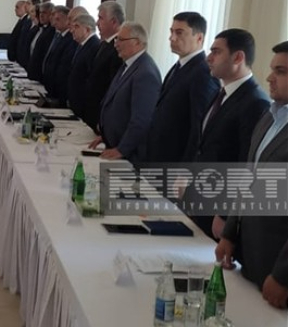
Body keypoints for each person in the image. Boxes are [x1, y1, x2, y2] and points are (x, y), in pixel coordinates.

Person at [216, 41, 288, 309]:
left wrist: (282, 275)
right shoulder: (270, 116)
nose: (269, 78)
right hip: (249, 257)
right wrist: (229, 233)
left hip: (277, 269)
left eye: (280, 71)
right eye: (272, 69)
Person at [180, 28, 270, 239]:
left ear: (238, 57)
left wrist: (225, 215)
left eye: (216, 52)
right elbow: (204, 146)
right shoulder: (222, 92)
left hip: (218, 211)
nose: (209, 58)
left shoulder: (255, 102)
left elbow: (245, 164)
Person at [146, 12, 220, 164]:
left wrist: (186, 170)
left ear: (199, 38)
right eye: (171, 32)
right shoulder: (178, 66)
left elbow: (199, 128)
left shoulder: (204, 73)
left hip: (176, 162)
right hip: (159, 156)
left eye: (179, 33)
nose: (172, 38)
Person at [89, 21, 161, 164]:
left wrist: (122, 150)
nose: (116, 44)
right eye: (116, 39)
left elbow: (141, 120)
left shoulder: (145, 73)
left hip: (130, 155)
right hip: (114, 144)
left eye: (121, 40)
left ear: (137, 42)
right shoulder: (127, 64)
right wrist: (105, 135)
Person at [83, 0, 125, 131]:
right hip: (92, 111)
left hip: (102, 115)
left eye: (101, 18)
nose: (97, 23)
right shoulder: (105, 44)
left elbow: (112, 87)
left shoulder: (118, 48)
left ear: (114, 22)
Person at [67, 13, 101, 120]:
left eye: (76, 27)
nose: (72, 30)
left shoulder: (94, 46)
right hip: (76, 102)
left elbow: (90, 78)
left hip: (84, 104)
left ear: (87, 29)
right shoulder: (82, 45)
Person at [41, 5, 76, 102]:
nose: (54, 22)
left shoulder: (71, 39)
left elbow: (63, 67)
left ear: (67, 20)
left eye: (58, 19)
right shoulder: (59, 36)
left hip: (60, 90)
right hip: (50, 86)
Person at [27, 1, 55, 81]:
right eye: (40, 13)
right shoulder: (40, 29)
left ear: (51, 15)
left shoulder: (52, 32)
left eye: (44, 13)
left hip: (41, 74)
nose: (41, 15)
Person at [16, 4, 39, 70]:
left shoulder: (37, 28)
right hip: (23, 59)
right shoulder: (28, 23)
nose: (30, 14)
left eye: (32, 12)